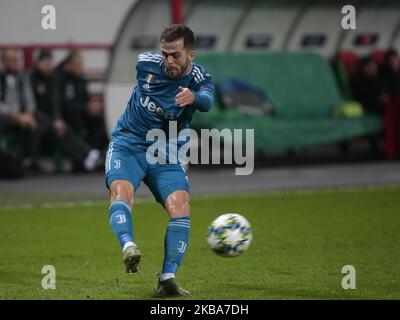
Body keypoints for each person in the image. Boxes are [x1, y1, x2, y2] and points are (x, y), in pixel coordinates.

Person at [105, 24, 215, 297]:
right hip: (128, 142)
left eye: (175, 55)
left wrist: (194, 97)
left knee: (181, 206)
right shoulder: (145, 64)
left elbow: (208, 100)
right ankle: (128, 245)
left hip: (165, 152)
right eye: (165, 54)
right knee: (122, 191)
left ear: (191, 55)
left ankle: (167, 279)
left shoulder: (199, 78)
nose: (168, 61)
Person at [29, 50, 101, 172]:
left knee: (98, 119)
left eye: (49, 63)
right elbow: (58, 103)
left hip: (60, 117)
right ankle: (88, 157)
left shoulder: (75, 79)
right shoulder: (46, 79)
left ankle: (94, 155)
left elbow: (82, 98)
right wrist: (57, 118)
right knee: (62, 130)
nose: (48, 66)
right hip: (48, 118)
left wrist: (92, 105)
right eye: (45, 63)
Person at [0, 48, 40, 171]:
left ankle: (29, 160)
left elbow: (30, 100)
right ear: (3, 61)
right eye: (11, 60)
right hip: (5, 116)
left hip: (22, 116)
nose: (14, 63)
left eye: (16, 60)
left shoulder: (23, 77)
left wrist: (28, 114)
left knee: (40, 120)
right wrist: (18, 116)